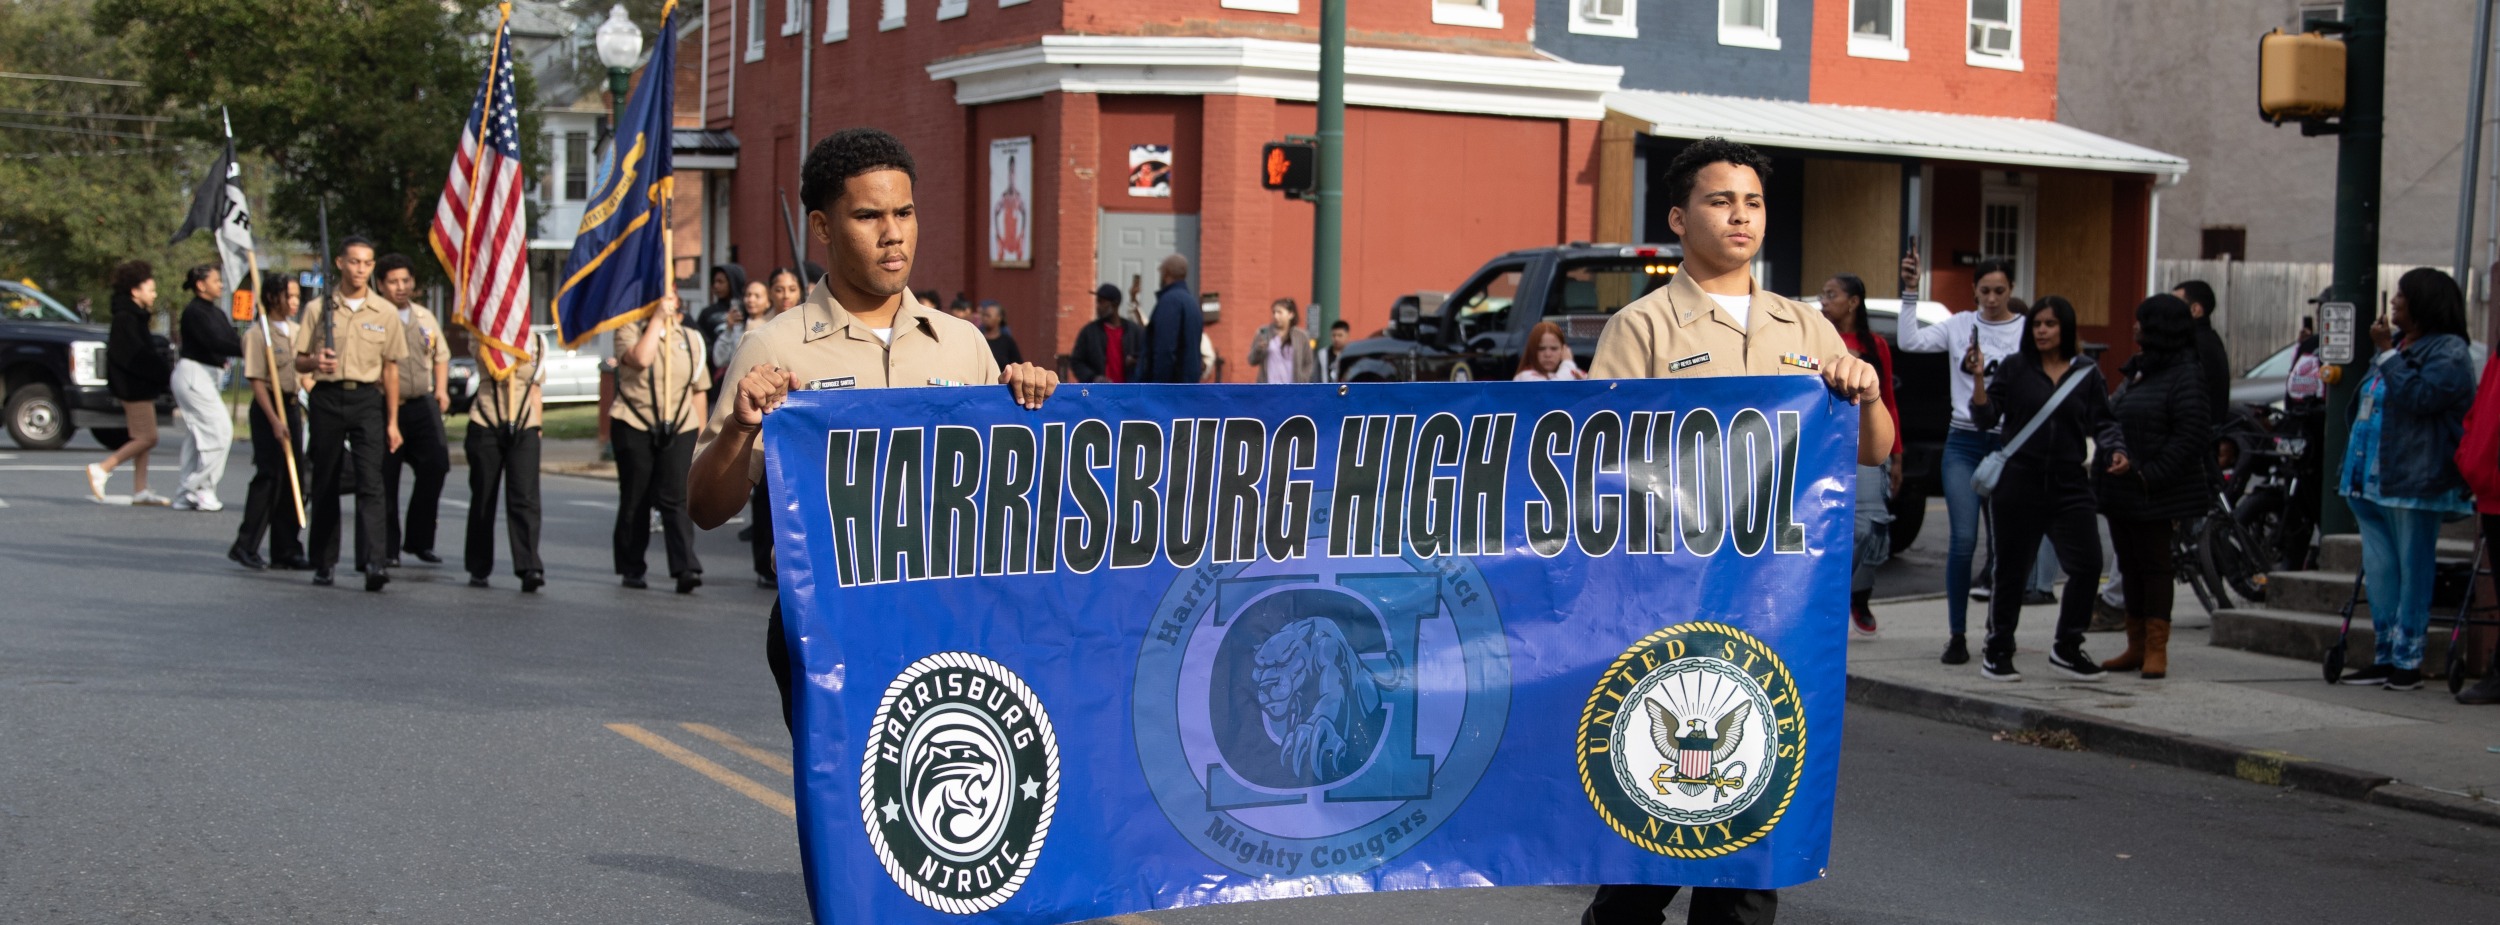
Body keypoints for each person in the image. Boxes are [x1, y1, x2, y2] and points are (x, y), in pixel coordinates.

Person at [1584, 136, 1888, 925]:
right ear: (1680, 218)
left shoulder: (1810, 326)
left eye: (1752, 202)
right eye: (1721, 201)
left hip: (1775, 614)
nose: (1740, 215)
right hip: (1670, 608)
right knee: (1647, 845)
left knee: (1750, 841)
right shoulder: (1642, 327)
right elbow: (1601, 461)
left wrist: (1865, 387)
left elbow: (1877, 449)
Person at [687, 126, 1059, 732]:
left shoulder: (964, 343)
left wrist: (1032, 405)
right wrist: (738, 428)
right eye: (868, 216)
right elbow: (705, 507)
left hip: (955, 620)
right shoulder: (774, 345)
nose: (893, 234)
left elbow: (1018, 500)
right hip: (830, 624)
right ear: (823, 227)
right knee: (849, 814)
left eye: (904, 212)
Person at [1968, 296, 2127, 683]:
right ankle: (1998, 648)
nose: (2041, 330)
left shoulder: (2086, 372)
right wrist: (1977, 381)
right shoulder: (2016, 367)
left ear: (2066, 329)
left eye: (2050, 324)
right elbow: (1986, 416)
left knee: (2088, 565)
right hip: (2019, 480)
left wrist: (2116, 449)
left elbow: (2103, 421)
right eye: (2037, 324)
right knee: (2011, 570)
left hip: (2070, 483)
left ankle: (2067, 647)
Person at [2338, 268, 2475, 692]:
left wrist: (2387, 355)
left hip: (2414, 481)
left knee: (2413, 567)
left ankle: (2408, 659)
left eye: (2402, 296)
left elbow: (2421, 398)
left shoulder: (2448, 352)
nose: (2393, 303)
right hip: (2368, 479)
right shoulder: (2396, 347)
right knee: (2380, 569)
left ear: (2424, 304)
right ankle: (2384, 653)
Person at [1895, 252, 2028, 665]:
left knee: (2005, 545)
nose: (1991, 299)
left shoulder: (2025, 330)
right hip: (1964, 443)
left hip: (2007, 445)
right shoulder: (1958, 326)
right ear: (1973, 290)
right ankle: (1957, 634)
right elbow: (1909, 341)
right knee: (1964, 540)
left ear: (2011, 290)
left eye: (1999, 291)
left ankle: (1999, 632)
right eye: (1984, 291)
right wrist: (1910, 293)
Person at [2097, 295, 2210, 679]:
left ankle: (2156, 649)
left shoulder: (2185, 374)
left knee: (2155, 567)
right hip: (2123, 488)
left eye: (2141, 321)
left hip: (2155, 490)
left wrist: (2149, 473)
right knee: (2129, 566)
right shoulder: (2139, 372)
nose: (2134, 328)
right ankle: (2136, 644)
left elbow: (2191, 434)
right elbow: (2112, 418)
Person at [293, 236, 407, 592]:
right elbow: (298, 360)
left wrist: (392, 421)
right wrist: (315, 361)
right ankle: (324, 562)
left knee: (371, 481)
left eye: (367, 263)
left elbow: (390, 370)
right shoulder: (318, 309)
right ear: (340, 263)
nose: (361, 269)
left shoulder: (384, 312)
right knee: (326, 480)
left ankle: (374, 561)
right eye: (355, 262)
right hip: (328, 397)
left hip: (367, 401)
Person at [1820, 273, 1904, 636]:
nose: (1824, 301)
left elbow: (1887, 399)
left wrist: (1896, 455)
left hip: (1867, 444)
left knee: (1869, 525)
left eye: (1832, 294)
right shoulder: (1815, 337)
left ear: (1853, 301)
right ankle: (1829, 597)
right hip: (1826, 443)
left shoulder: (1876, 345)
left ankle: (1857, 592)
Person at [612, 291, 710, 593]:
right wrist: (655, 320)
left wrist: (702, 437)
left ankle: (685, 567)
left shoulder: (692, 339)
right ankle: (632, 567)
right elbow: (641, 359)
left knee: (676, 497)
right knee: (636, 497)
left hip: (680, 424)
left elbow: (699, 389)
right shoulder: (628, 329)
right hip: (634, 420)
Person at [371, 254, 450, 567]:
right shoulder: (375, 316)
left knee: (437, 466)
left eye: (405, 281)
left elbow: (440, 354)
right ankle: (387, 549)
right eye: (392, 281)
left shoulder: (424, 317)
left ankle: (419, 541)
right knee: (385, 479)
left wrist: (441, 389)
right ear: (380, 285)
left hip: (421, 403)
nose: (400, 287)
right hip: (384, 404)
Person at [231, 275, 309, 570]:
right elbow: (256, 381)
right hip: (268, 411)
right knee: (270, 477)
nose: (294, 302)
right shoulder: (257, 334)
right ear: (273, 297)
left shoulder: (297, 332)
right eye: (288, 296)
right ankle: (245, 544)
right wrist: (275, 421)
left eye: (297, 297)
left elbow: (304, 376)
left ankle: (287, 549)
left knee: (294, 480)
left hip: (291, 406)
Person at [464, 333, 546, 592]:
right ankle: (479, 566)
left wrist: (538, 428)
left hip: (524, 423)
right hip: (487, 420)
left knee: (526, 498)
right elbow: (488, 363)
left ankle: (529, 565)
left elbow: (535, 387)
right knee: (484, 495)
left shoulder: (538, 340)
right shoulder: (484, 331)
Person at [89, 260, 171, 505]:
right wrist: (161, 372)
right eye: (150, 289)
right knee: (148, 437)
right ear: (135, 291)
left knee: (141, 437)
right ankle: (103, 467)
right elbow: (133, 357)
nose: (154, 294)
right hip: (134, 387)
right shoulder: (127, 318)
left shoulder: (132, 316)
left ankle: (140, 489)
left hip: (137, 385)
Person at [169, 264, 242, 512]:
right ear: (201, 285)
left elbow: (231, 339)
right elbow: (217, 342)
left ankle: (184, 493)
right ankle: (200, 487)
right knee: (220, 431)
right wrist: (251, 349)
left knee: (197, 435)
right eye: (215, 280)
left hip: (208, 375)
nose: (221, 285)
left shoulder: (215, 312)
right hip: (194, 375)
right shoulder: (195, 312)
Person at [2172, 279, 2233, 433]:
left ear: (2195, 310)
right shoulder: (2207, 339)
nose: (2169, 309)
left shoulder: (2195, 345)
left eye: (2175, 303)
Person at [1141, 255, 1203, 384]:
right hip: (1187, 386)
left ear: (1166, 273)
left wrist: (1158, 387)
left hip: (1170, 389)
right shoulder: (1191, 302)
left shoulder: (1170, 302)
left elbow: (1165, 350)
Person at [1070, 283, 1142, 383]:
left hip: (1128, 393)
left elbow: (1146, 357)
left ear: (1115, 304)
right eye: (1097, 302)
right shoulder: (1089, 332)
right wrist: (1093, 377)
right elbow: (1076, 361)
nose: (1098, 306)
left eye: (1101, 302)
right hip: (1099, 393)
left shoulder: (1133, 331)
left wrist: (1135, 361)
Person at [1248, 297, 1315, 383]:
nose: (1275, 316)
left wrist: (1303, 379)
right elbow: (1252, 360)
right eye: (1274, 312)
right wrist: (1259, 349)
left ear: (1291, 314)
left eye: (1279, 312)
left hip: (1293, 388)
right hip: (1269, 388)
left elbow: (1309, 362)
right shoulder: (1263, 332)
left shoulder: (1301, 336)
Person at [694, 263, 748, 359]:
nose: (716, 286)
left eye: (721, 282)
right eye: (714, 282)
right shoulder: (708, 313)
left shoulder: (747, 309)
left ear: (733, 282)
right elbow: (701, 343)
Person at [1512, 320, 1585, 381]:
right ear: (1532, 351)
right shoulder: (1525, 377)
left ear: (1564, 350)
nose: (1548, 354)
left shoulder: (1571, 371)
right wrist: (1568, 363)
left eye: (1554, 348)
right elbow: (1551, 391)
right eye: (1541, 349)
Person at [981, 300, 1024, 368]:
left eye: (988, 316)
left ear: (999, 318)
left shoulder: (1007, 342)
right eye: (984, 315)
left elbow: (1018, 365)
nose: (985, 318)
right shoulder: (978, 339)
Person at [1317, 318, 1350, 383]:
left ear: (1347, 335)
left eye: (1340, 335)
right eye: (1334, 335)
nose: (1336, 338)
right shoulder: (1322, 354)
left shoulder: (1352, 354)